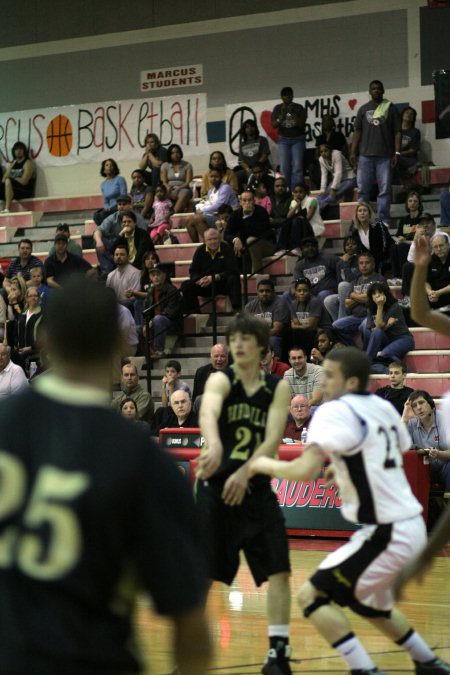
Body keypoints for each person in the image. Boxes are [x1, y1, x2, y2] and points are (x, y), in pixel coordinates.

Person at [0, 276, 211, 674]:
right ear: (120, 344)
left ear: (44, 341)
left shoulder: (5, 424)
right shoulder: (143, 462)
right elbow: (188, 624)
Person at [250, 347, 450, 675]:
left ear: (351, 381)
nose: (323, 382)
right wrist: (344, 468)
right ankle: (428, 663)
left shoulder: (332, 411)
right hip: (407, 522)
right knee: (365, 600)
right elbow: (395, 449)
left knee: (312, 597)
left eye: (330, 376)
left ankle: (364, 669)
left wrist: (260, 463)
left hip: (386, 530)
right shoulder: (383, 407)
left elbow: (304, 470)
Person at [196, 313, 293, 675]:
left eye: (245, 339)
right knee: (203, 575)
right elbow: (208, 411)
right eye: (233, 338)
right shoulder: (222, 379)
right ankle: (189, 652)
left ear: (263, 349)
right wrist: (216, 443)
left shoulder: (276, 387)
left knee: (280, 572)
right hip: (216, 492)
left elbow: (271, 441)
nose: (237, 344)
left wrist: (244, 470)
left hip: (255, 490)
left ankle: (278, 653)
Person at [350, 79, 401, 225]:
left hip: (384, 156)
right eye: (373, 88)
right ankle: (362, 220)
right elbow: (357, 131)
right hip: (365, 156)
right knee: (362, 191)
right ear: (369, 91)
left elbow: (398, 132)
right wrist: (353, 152)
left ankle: (383, 220)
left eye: (379, 88)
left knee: (384, 190)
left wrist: (397, 153)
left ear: (383, 90)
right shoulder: (363, 109)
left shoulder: (390, 108)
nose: (376, 90)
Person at [181, 228, 242, 314]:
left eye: (215, 238)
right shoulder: (200, 250)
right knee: (186, 285)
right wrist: (198, 280)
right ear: (205, 240)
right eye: (209, 239)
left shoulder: (227, 248)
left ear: (219, 239)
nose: (213, 242)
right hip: (205, 285)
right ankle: (196, 313)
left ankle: (237, 310)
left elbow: (232, 270)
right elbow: (193, 271)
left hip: (222, 284)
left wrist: (214, 277)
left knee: (234, 278)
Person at [402, 390, 450, 495]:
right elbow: (397, 447)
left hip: (445, 467)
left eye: (421, 403)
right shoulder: (411, 423)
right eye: (414, 405)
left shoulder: (446, 420)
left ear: (430, 403)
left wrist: (438, 454)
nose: (419, 407)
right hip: (423, 468)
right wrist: (405, 418)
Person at [332, 253, 384, 347]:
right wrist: (364, 296)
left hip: (371, 316)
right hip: (355, 317)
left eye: (367, 263)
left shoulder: (379, 280)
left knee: (365, 326)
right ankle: (354, 350)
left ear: (373, 264)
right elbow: (347, 303)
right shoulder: (355, 281)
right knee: (335, 327)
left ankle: (368, 353)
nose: (364, 265)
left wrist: (354, 296)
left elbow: (373, 299)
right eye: (361, 263)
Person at [362, 280, 414, 373]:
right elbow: (376, 330)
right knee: (378, 333)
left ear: (385, 294)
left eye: (380, 292)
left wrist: (380, 306)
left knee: (386, 354)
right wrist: (388, 325)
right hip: (387, 341)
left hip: (403, 339)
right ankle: (371, 364)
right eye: (374, 293)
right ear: (371, 296)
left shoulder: (394, 306)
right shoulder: (370, 309)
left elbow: (378, 325)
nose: (377, 295)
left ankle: (368, 364)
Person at [93, 194, 147, 274]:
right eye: (119, 204)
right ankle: (107, 270)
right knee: (98, 241)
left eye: (124, 204)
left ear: (130, 205)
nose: (121, 206)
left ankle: (133, 266)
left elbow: (144, 236)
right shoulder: (113, 217)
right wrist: (98, 241)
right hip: (116, 245)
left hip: (133, 245)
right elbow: (98, 230)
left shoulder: (138, 218)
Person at [225, 190, 276, 274]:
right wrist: (235, 239)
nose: (247, 203)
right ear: (240, 202)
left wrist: (247, 217)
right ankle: (233, 275)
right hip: (245, 245)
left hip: (266, 244)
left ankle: (257, 275)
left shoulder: (261, 212)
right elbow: (227, 233)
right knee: (228, 244)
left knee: (251, 240)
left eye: (250, 200)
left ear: (254, 201)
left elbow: (259, 233)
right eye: (244, 200)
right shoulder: (236, 214)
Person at [187, 169, 239, 243]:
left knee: (198, 218)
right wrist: (201, 208)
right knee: (188, 220)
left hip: (227, 217)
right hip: (215, 215)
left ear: (221, 177)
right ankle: (197, 245)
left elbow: (219, 206)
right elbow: (207, 203)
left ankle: (209, 244)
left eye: (216, 176)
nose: (213, 178)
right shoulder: (211, 190)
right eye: (211, 176)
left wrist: (202, 210)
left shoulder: (226, 188)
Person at [271, 86, 307, 190]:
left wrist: (293, 113)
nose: (288, 98)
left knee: (297, 167)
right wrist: (282, 115)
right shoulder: (278, 108)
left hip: (298, 140)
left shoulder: (299, 108)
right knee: (284, 167)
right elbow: (274, 125)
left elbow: (301, 125)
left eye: (290, 96)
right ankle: (286, 190)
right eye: (286, 96)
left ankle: (297, 190)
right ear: (282, 97)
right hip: (283, 140)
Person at [244, 278, 290, 358]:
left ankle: (274, 366)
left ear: (273, 292)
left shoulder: (280, 303)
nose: (264, 293)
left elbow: (276, 330)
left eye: (267, 291)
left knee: (273, 340)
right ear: (257, 293)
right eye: (261, 291)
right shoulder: (250, 306)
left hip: (275, 337)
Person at [144, 264, 182, 359]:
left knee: (158, 319)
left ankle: (159, 350)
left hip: (171, 323)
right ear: (150, 278)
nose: (156, 277)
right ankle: (144, 355)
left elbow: (171, 312)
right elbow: (146, 312)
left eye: (158, 274)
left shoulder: (172, 290)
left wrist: (152, 321)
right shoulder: (151, 292)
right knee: (136, 329)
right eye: (153, 275)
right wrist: (145, 324)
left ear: (164, 276)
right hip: (155, 322)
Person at [288, 237, 338, 303]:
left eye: (313, 246)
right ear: (302, 250)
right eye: (307, 246)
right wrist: (294, 291)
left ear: (317, 247)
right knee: (286, 296)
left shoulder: (328, 258)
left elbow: (342, 269)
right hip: (309, 294)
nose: (310, 248)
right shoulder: (300, 265)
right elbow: (295, 284)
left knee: (322, 294)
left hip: (328, 292)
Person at [323, 236, 361, 322]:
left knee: (343, 285)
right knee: (328, 300)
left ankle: (340, 321)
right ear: (344, 247)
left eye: (353, 244)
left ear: (358, 246)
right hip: (343, 292)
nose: (350, 246)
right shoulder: (340, 263)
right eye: (347, 244)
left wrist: (346, 263)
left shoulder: (361, 260)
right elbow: (338, 281)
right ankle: (339, 323)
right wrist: (340, 295)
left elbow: (352, 280)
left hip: (357, 291)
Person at [349, 201, 394, 272]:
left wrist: (370, 260)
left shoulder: (377, 225)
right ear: (356, 214)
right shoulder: (355, 231)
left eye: (365, 210)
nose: (362, 213)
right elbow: (357, 250)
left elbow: (383, 247)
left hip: (383, 257)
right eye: (360, 211)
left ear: (369, 214)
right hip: (366, 261)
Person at [390, 191, 424, 283]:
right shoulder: (404, 219)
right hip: (404, 244)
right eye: (410, 201)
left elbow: (420, 240)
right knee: (394, 247)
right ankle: (396, 276)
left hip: (418, 246)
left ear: (419, 204)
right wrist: (399, 240)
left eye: (415, 201)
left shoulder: (422, 219)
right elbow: (398, 236)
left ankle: (403, 276)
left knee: (401, 247)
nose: (412, 203)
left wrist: (404, 241)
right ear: (407, 203)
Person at [11, 286, 42, 374]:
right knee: (12, 353)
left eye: (35, 295)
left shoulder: (43, 315)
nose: (33, 298)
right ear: (26, 298)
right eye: (30, 296)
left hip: (34, 350)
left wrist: (31, 347)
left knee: (24, 357)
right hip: (20, 349)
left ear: (39, 298)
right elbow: (15, 333)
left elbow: (44, 337)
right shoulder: (22, 315)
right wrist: (17, 346)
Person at [316, 144, 356, 212]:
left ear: (330, 150)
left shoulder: (336, 154)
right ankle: (318, 205)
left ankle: (318, 207)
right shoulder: (321, 159)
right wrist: (322, 189)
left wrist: (333, 188)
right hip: (337, 181)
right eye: (321, 152)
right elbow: (324, 175)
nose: (323, 153)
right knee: (323, 194)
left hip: (350, 179)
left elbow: (338, 172)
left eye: (326, 151)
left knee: (333, 195)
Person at [0, 141, 36, 213]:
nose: (18, 151)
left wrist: (12, 179)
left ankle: (7, 208)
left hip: (25, 190)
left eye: (20, 149)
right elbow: (3, 180)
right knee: (5, 182)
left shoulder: (28, 163)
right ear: (14, 151)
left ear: (24, 151)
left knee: (8, 181)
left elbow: (24, 181)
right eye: (16, 149)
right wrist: (10, 175)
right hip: (13, 190)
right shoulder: (13, 164)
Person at [106, 244, 141, 311]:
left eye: (122, 254)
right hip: (115, 305)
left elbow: (135, 297)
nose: (119, 257)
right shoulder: (110, 275)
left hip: (128, 305)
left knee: (124, 303)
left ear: (128, 257)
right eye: (116, 255)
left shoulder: (135, 273)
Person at [160, 144, 193, 213]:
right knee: (159, 194)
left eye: (177, 152)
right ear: (169, 155)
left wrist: (178, 189)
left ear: (180, 153)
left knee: (184, 194)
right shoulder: (165, 165)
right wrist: (170, 189)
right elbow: (164, 182)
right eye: (173, 153)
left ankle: (173, 214)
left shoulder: (187, 165)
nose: (175, 154)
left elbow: (187, 182)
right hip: (169, 188)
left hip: (183, 189)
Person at [93, 158, 127, 225]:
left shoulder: (120, 179)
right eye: (107, 165)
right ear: (104, 169)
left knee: (104, 215)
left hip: (119, 206)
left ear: (114, 168)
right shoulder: (103, 184)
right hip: (109, 209)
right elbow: (105, 201)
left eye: (111, 165)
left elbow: (124, 196)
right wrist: (106, 207)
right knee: (96, 215)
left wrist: (115, 206)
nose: (109, 167)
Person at [426, 233, 450, 309]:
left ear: (448, 245)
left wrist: (439, 293)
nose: (439, 249)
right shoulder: (430, 260)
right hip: (435, 296)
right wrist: (430, 292)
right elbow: (425, 281)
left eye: (441, 245)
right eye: (435, 247)